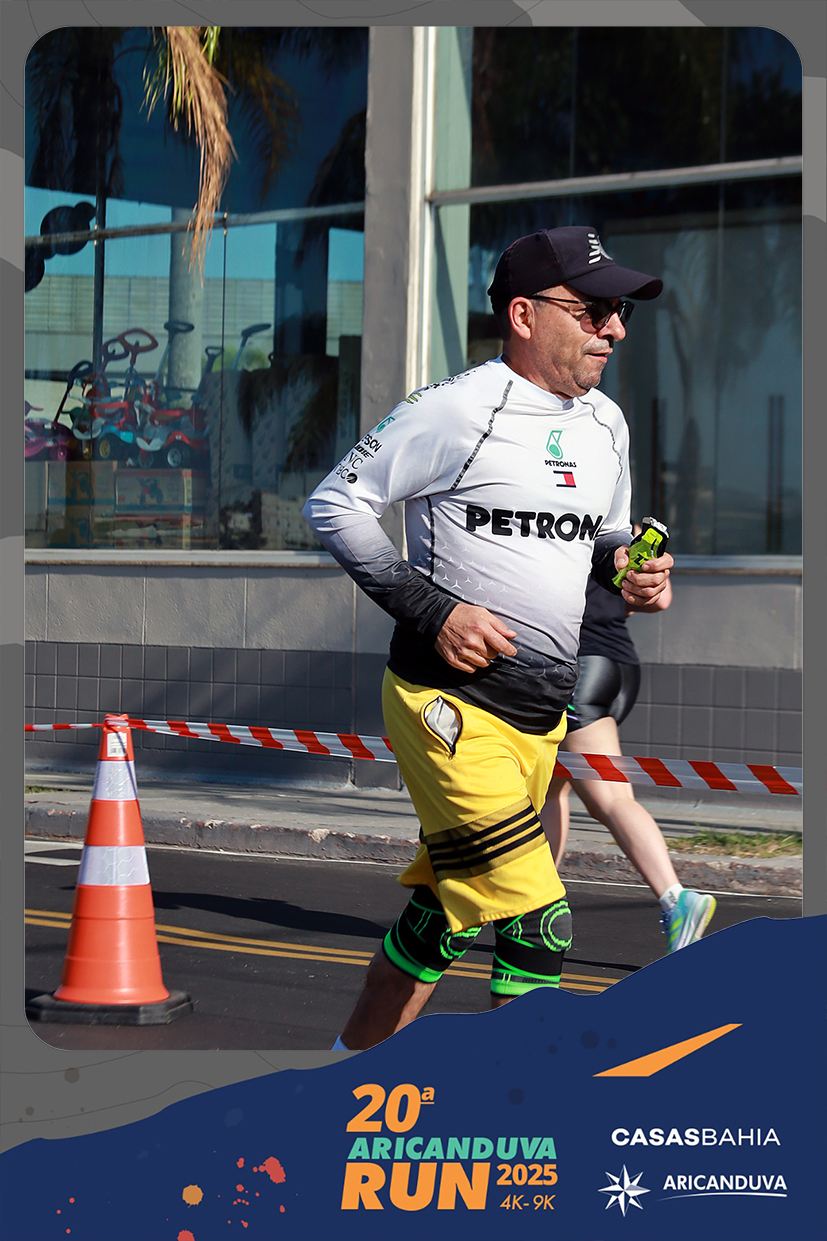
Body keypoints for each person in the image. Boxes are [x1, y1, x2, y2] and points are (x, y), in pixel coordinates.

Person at [303, 225, 672, 1051]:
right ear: (524, 314)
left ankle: (338, 1074)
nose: (614, 329)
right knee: (538, 921)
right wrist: (433, 610)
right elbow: (334, 504)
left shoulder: (605, 423)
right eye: (593, 310)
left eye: (619, 311)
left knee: (440, 920)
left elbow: (601, 538)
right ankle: (520, 1108)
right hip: (448, 704)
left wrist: (634, 573)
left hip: (539, 715)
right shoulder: (456, 407)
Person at [539, 551, 717, 952]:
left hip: (578, 666)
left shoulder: (556, 524)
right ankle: (537, 904)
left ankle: (676, 899)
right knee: (552, 787)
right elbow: (660, 599)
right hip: (619, 667)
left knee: (611, 800)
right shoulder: (625, 530)